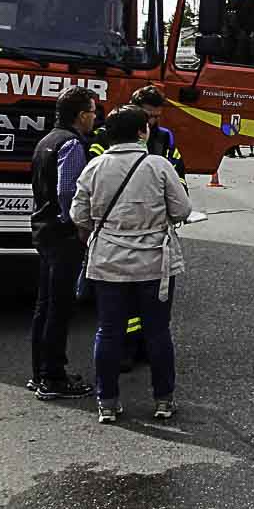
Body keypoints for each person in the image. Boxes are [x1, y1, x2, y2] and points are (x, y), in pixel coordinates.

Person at [71, 104, 192, 424]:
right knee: (157, 332)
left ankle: (107, 402)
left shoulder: (94, 167)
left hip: (108, 262)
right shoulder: (158, 165)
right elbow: (181, 210)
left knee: (108, 332)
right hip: (154, 262)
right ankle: (163, 400)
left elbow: (78, 215)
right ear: (143, 131)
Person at [28, 86, 99, 401]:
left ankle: (40, 371)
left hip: (43, 230)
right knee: (59, 308)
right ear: (82, 115)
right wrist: (81, 228)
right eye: (93, 112)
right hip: (63, 233)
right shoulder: (71, 144)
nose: (95, 118)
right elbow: (69, 193)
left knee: (44, 306)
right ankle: (53, 378)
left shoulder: (46, 140)